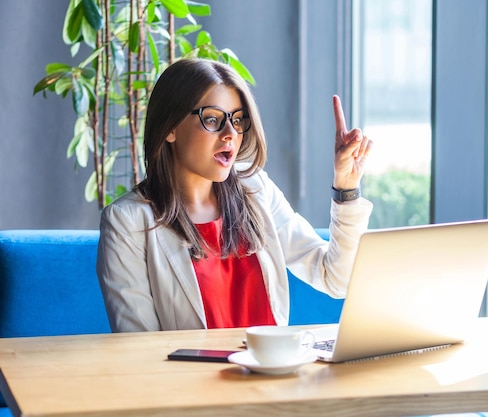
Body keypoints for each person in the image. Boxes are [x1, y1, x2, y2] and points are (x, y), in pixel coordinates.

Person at [96, 58, 373, 332]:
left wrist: (346, 188)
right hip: (187, 377)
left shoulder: (256, 189)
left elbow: (337, 279)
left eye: (237, 120)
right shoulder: (127, 222)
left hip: (273, 372)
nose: (230, 133)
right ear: (170, 127)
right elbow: (139, 348)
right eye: (213, 119)